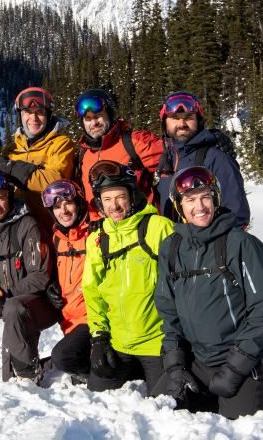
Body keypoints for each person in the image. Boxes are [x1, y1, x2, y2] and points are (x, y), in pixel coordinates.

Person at [154, 166, 263, 419]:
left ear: (216, 199)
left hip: (239, 356)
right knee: (159, 408)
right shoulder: (171, 247)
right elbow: (169, 314)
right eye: (190, 200)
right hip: (197, 358)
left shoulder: (242, 244)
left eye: (205, 197)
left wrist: (236, 367)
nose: (199, 207)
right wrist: (175, 365)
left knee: (237, 421)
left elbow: (262, 314)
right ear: (179, 206)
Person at [81, 160, 174, 394]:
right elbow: (92, 292)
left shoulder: (159, 228)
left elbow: (181, 286)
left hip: (156, 343)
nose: (114, 205)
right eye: (107, 199)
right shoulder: (97, 239)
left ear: (132, 196)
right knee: (97, 398)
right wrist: (99, 338)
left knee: (169, 405)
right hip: (118, 343)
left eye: (120, 197)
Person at [0, 172, 59, 382]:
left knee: (14, 309)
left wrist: (4, 294)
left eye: (0, 198)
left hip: (43, 303)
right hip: (10, 307)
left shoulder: (27, 225)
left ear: (9, 197)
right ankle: (34, 371)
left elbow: (40, 276)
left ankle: (27, 376)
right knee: (9, 373)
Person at [0, 87, 75, 227]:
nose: (33, 118)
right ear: (20, 115)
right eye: (27, 112)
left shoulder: (60, 144)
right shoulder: (12, 149)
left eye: (40, 112)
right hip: (17, 230)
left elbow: (56, 182)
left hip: (49, 228)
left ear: (48, 115)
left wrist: (11, 167)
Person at [155, 91, 250, 226]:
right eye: (175, 118)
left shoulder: (216, 159)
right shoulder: (166, 158)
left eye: (189, 117)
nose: (182, 123)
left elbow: (236, 217)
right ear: (165, 123)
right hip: (171, 238)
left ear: (198, 121)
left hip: (203, 239)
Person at [73, 88, 163, 221]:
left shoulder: (134, 142)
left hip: (138, 225)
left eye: (98, 115)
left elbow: (174, 161)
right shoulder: (84, 153)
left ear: (109, 114)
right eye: (88, 119)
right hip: (102, 230)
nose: (94, 123)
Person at [40, 179, 91, 383]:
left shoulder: (94, 234)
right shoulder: (57, 239)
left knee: (63, 357)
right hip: (69, 321)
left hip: (94, 320)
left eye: (68, 203)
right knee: (67, 358)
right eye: (57, 206)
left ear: (78, 203)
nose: (64, 211)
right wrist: (50, 286)